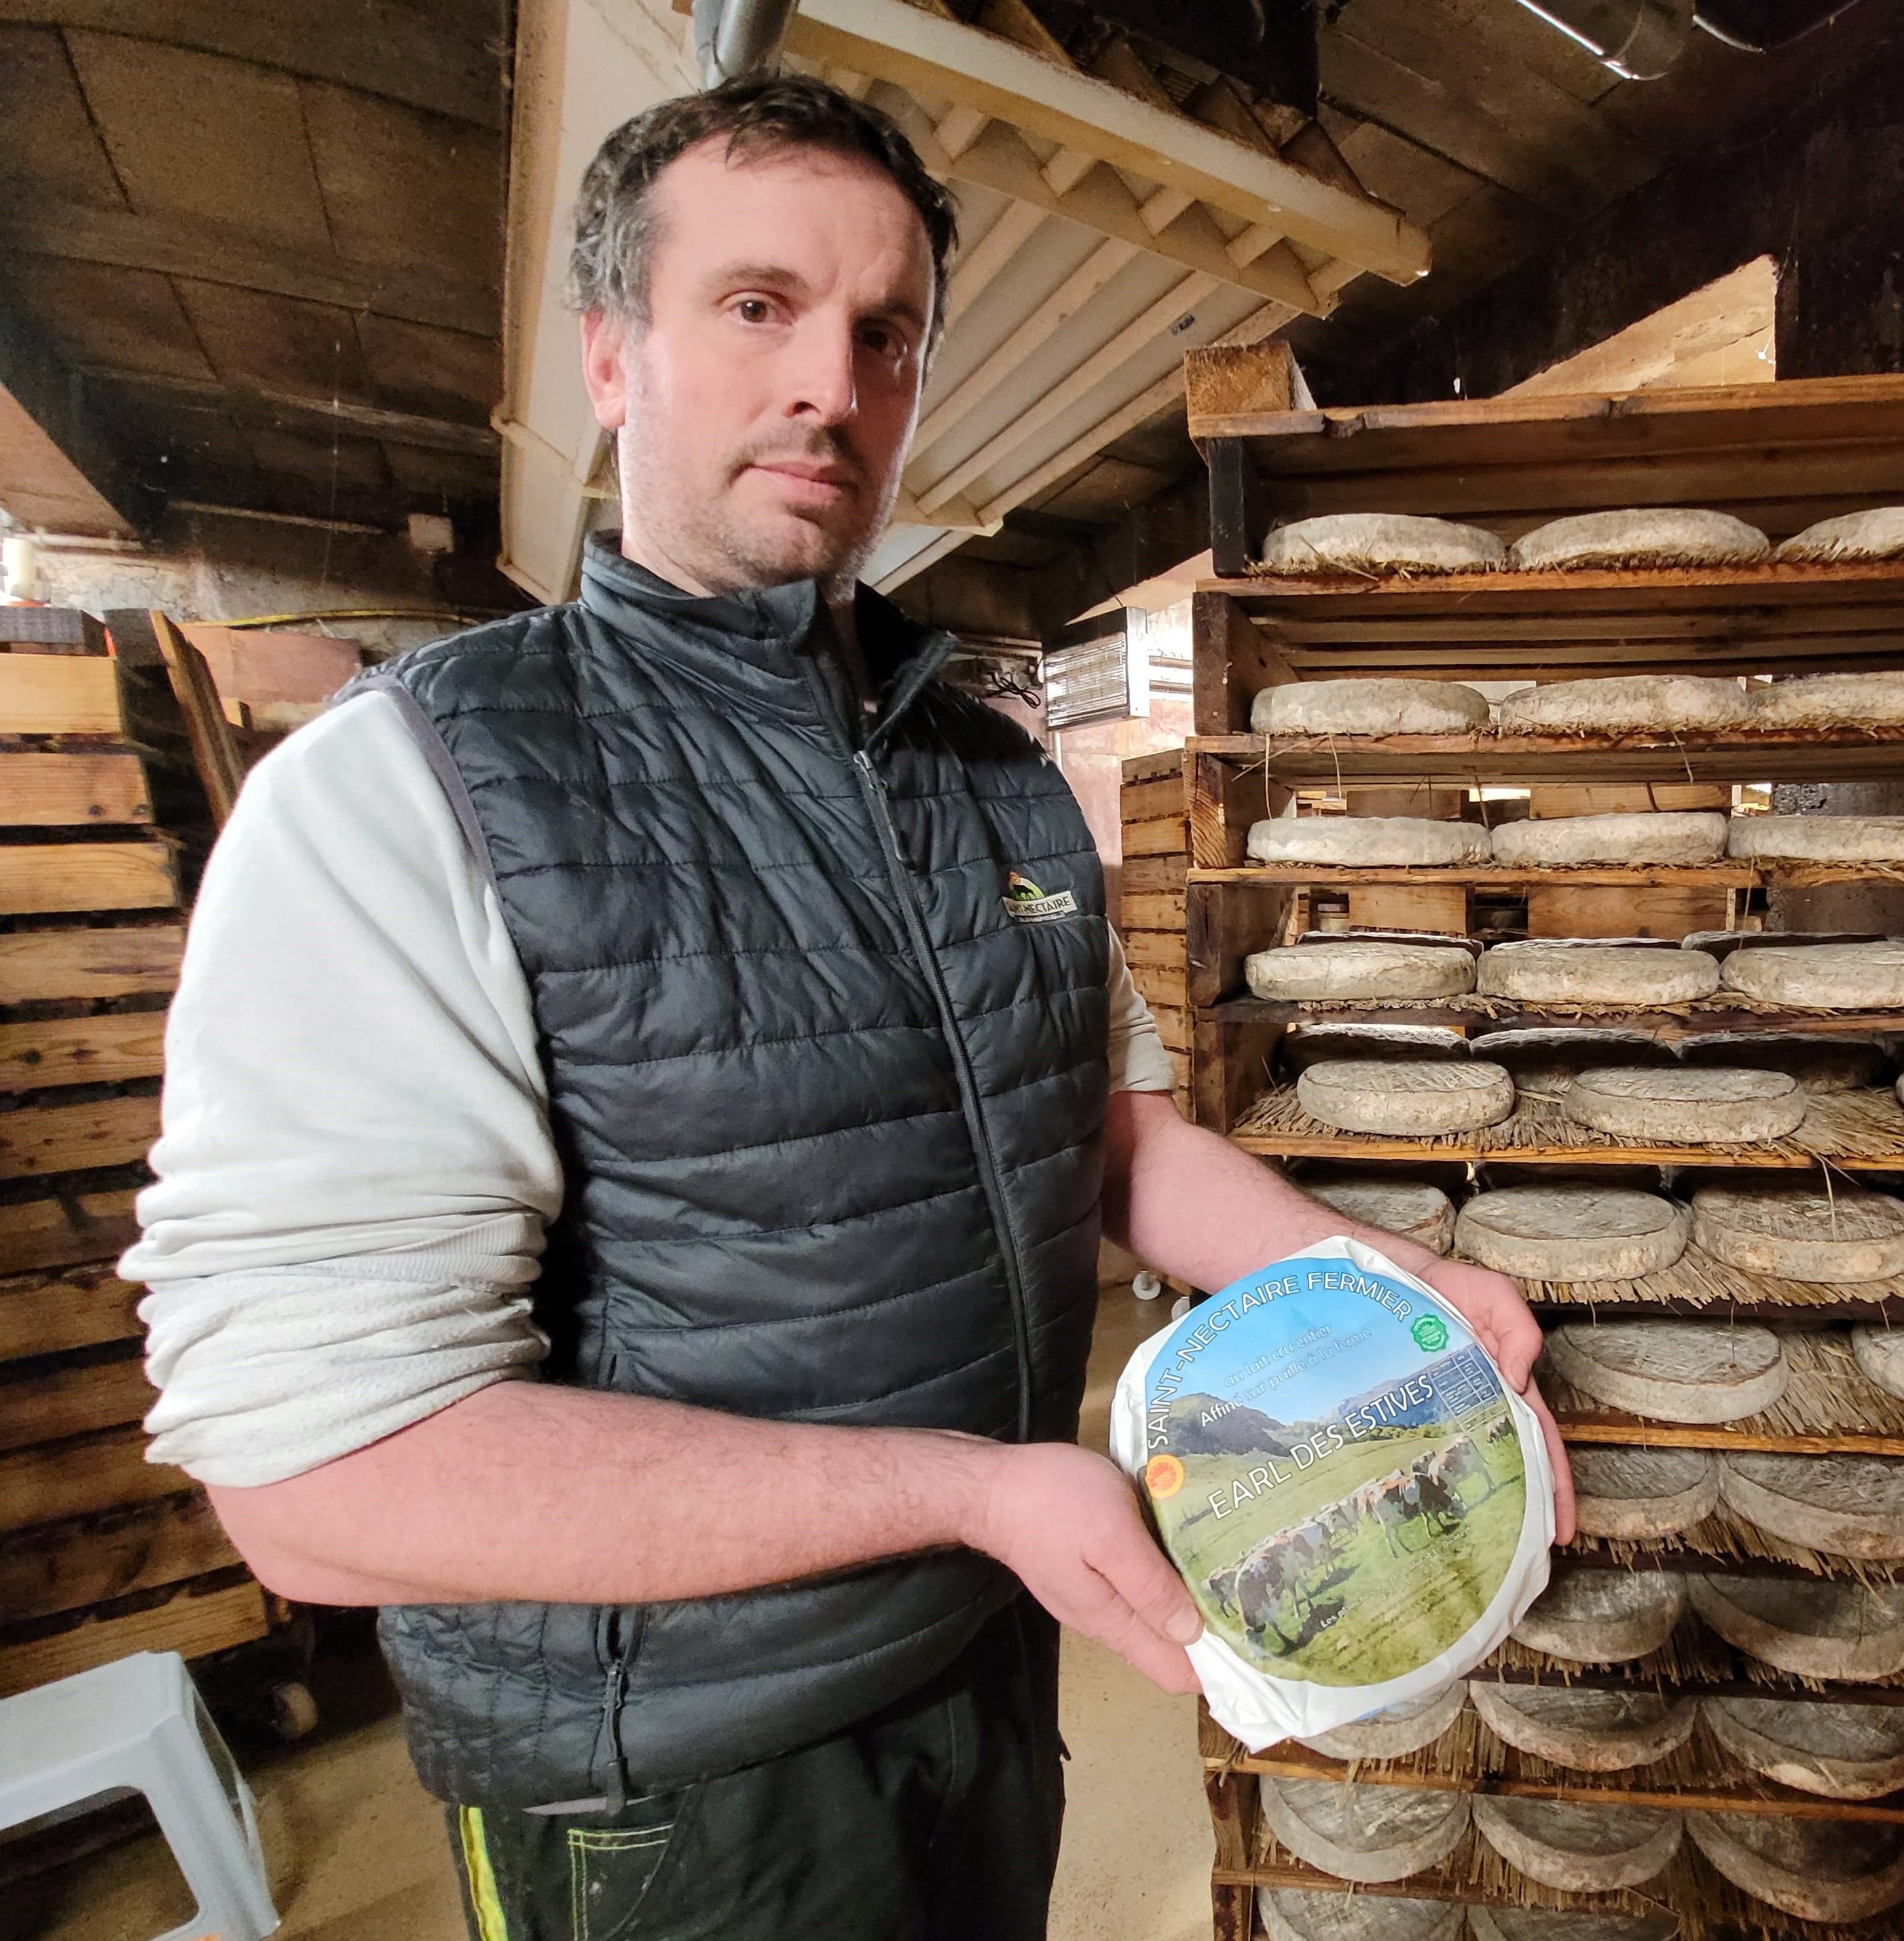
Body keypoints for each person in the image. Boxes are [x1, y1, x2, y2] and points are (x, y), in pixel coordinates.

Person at [124, 73, 1570, 1941]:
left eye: (884, 333)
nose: (831, 381)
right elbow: (317, 1475)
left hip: (979, 1663)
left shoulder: (989, 774)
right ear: (610, 357)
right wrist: (966, 1487)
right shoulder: (414, 791)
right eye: (756, 307)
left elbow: (1111, 1137)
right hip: (671, 1786)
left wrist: (1378, 1287)